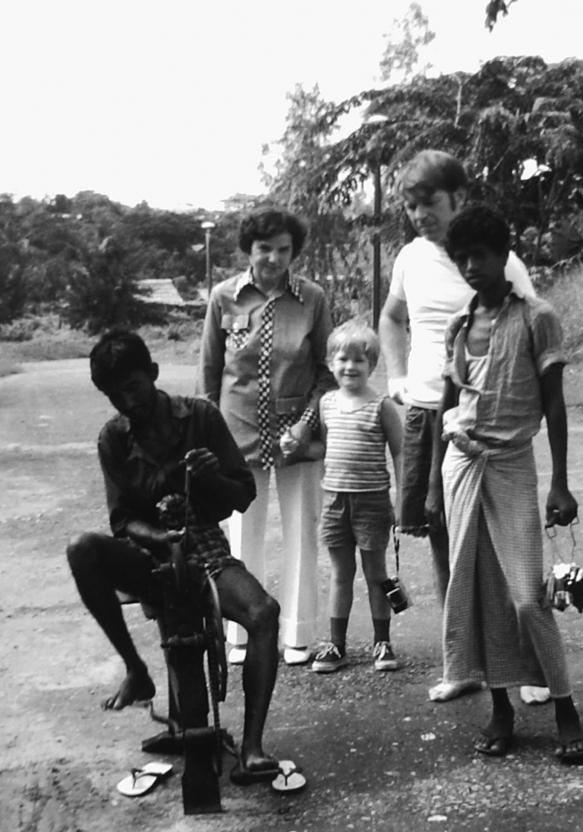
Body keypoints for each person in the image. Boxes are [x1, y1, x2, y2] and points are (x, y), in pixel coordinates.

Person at [66, 330, 287, 784]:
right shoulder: (113, 439)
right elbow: (122, 520)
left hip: (202, 545)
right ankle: (136, 670)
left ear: (153, 373)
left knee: (263, 613)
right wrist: (163, 537)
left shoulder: (200, 417)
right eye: (113, 395)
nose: (126, 402)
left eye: (132, 388)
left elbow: (242, 494)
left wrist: (209, 480)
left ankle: (252, 748)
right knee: (81, 550)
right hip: (146, 553)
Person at [426, 203, 583, 763]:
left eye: (482, 255)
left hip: (511, 466)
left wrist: (562, 483)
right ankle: (500, 709)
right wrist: (431, 486)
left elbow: (554, 403)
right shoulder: (458, 326)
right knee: (474, 593)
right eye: (463, 258)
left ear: (505, 256)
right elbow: (445, 409)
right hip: (460, 469)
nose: (473, 266)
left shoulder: (536, 317)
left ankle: (565, 706)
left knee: (527, 598)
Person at [379, 149, 548, 704]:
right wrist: (397, 376)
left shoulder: (502, 260)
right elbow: (392, 316)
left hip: (487, 424)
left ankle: (527, 665)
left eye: (428, 202)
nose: (419, 214)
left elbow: (533, 331)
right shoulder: (409, 257)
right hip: (427, 415)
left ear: (457, 196)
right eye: (409, 205)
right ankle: (464, 663)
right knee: (442, 538)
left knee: (502, 547)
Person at [198, 207, 334, 667]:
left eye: (283, 249)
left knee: (301, 531)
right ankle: (240, 632)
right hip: (235, 437)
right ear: (248, 250)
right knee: (239, 538)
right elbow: (210, 374)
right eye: (264, 249)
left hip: (297, 436)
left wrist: (305, 424)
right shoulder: (223, 297)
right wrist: (208, 439)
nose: (273, 258)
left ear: (294, 252)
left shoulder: (312, 298)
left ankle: (297, 634)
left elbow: (326, 370)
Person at [292, 321, 404, 674]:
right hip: (335, 500)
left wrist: (402, 501)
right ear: (330, 363)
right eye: (343, 359)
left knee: (376, 573)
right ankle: (335, 645)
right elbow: (326, 447)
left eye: (359, 360)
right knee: (341, 573)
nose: (350, 367)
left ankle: (382, 642)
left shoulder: (382, 406)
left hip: (372, 501)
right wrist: (296, 447)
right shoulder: (326, 404)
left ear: (372, 366)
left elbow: (401, 453)